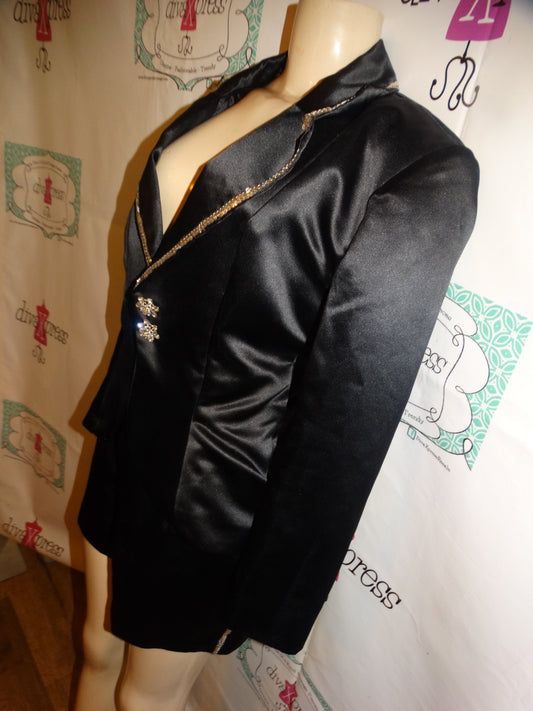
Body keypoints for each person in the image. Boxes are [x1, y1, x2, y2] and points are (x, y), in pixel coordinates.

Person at [75, 2, 479, 710]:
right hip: (125, 434)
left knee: (145, 698)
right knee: (95, 645)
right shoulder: (239, 93)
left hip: (208, 494)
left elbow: (349, 405)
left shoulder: (415, 161)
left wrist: (274, 583)